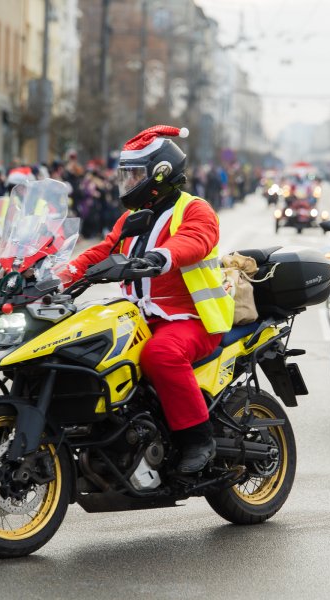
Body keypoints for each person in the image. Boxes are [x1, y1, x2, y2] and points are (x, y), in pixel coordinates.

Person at [64, 125, 234, 474]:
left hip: (192, 319)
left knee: (161, 355)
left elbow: (194, 241)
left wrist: (160, 257)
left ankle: (197, 438)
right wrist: (64, 272)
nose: (127, 182)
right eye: (125, 174)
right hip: (141, 316)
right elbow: (103, 250)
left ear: (160, 174)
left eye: (134, 174)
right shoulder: (132, 217)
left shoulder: (195, 210)